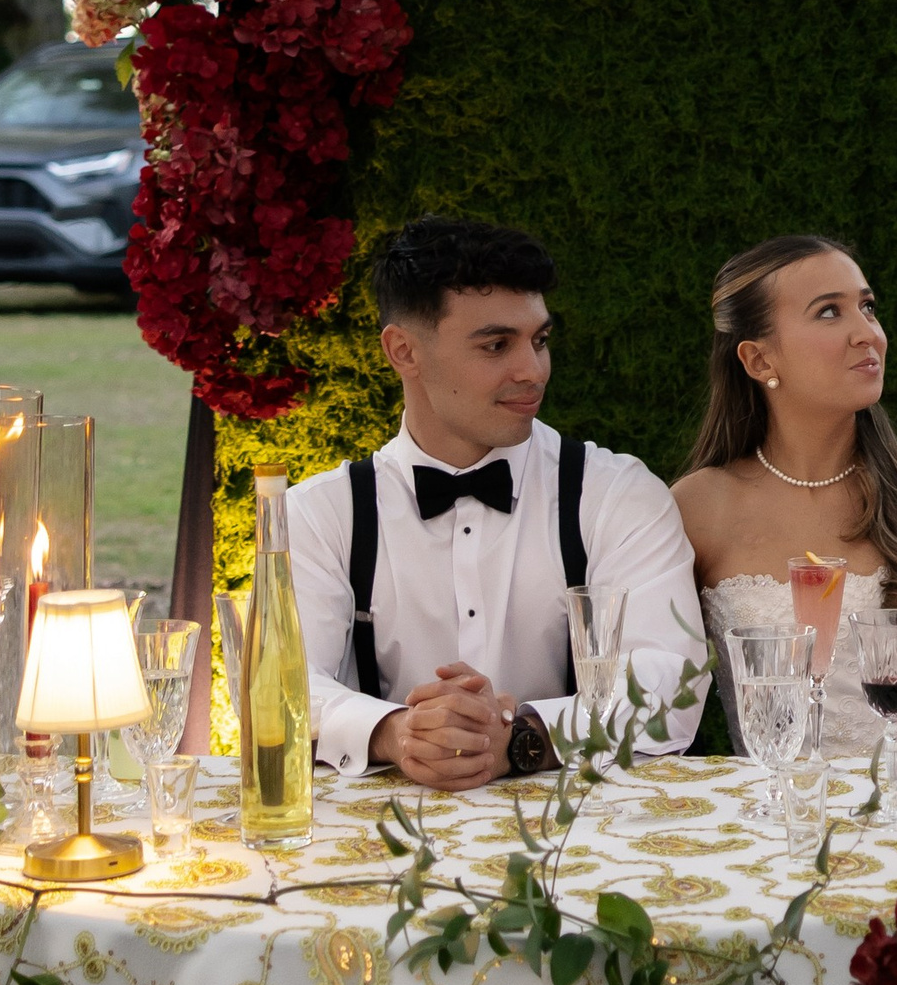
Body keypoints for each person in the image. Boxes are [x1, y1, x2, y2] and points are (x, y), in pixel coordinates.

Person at [287, 215, 707, 787]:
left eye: (539, 340)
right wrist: (395, 732)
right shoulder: (320, 514)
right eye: (496, 345)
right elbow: (279, 683)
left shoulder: (618, 494)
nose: (533, 371)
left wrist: (522, 737)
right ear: (404, 351)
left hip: (581, 840)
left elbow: (669, 679)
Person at [673, 236, 897, 759]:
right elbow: (654, 704)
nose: (867, 333)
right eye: (829, 312)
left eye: (867, 307)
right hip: (770, 823)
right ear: (758, 360)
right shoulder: (697, 509)